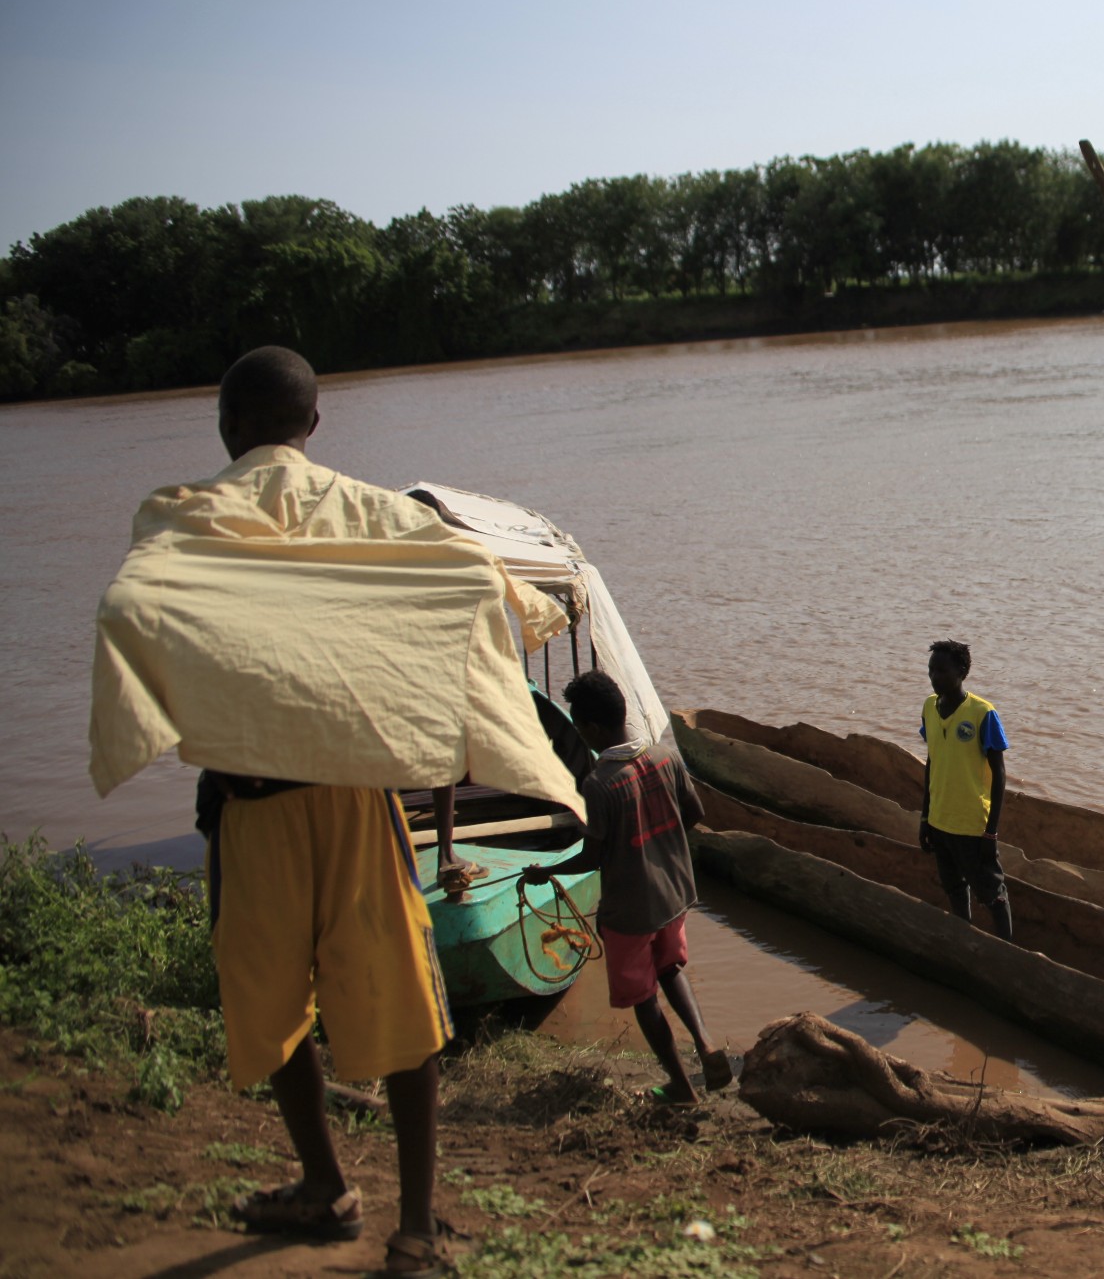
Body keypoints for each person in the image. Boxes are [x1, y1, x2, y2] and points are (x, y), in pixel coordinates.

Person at [92, 347, 581, 1278]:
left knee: (270, 1001)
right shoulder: (379, 516)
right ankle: (414, 1221)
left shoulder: (186, 515)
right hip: (358, 806)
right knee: (401, 1001)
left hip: (247, 808)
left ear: (227, 426)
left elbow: (132, 601)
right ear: (314, 425)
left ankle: (323, 1180)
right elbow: (478, 578)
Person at [524, 670, 733, 1101]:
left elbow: (592, 857)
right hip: (673, 891)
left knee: (642, 995)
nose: (580, 734)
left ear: (593, 729)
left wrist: (547, 873)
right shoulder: (664, 757)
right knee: (671, 968)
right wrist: (663, 843)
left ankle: (680, 1085)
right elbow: (694, 813)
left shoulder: (600, 785)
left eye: (579, 728)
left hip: (629, 908)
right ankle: (706, 1042)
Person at [917, 640, 1013, 940]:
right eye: (931, 670)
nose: (934, 677)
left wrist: (991, 832)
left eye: (941, 671)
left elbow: (999, 774)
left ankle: (1006, 952)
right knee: (954, 888)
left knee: (992, 894)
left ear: (961, 672)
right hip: (940, 820)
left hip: (971, 825)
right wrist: (925, 818)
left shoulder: (983, 713)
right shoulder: (929, 708)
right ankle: (965, 940)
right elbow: (933, 762)